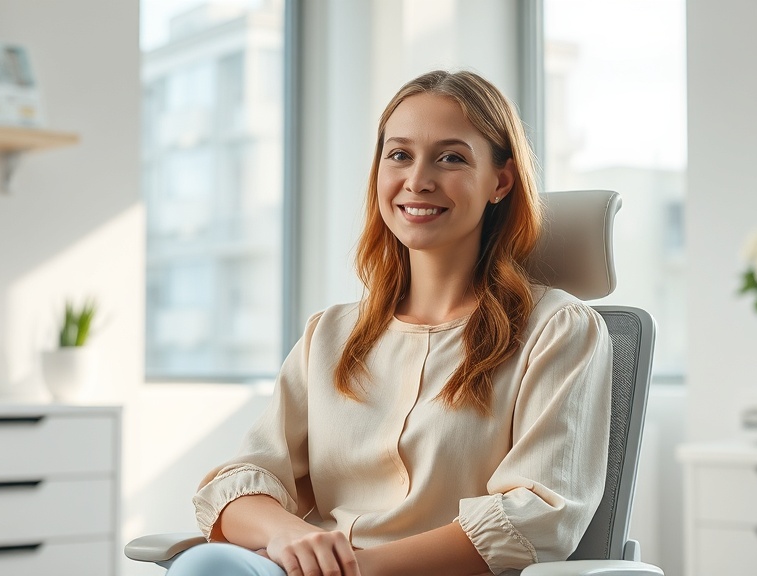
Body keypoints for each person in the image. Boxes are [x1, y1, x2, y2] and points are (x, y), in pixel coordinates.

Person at [167, 70, 613, 576]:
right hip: (320, 569)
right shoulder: (329, 334)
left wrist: (358, 567)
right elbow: (241, 482)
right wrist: (290, 535)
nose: (417, 180)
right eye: (399, 155)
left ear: (501, 181)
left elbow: (537, 516)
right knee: (207, 564)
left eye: (451, 158)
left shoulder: (558, 330)